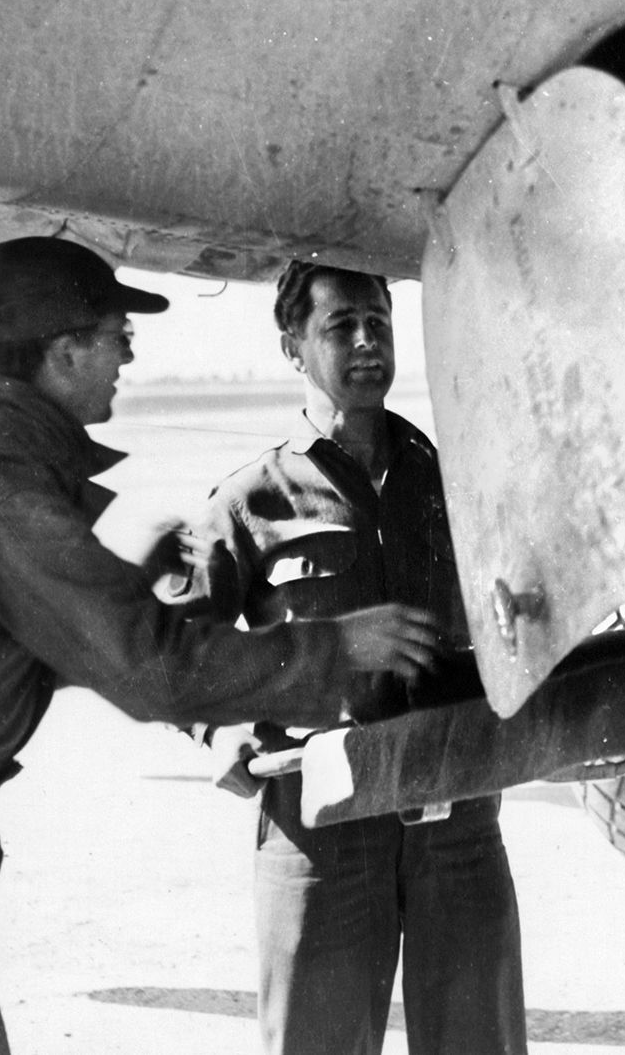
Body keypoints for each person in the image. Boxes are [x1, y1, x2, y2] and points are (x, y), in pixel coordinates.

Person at [0, 236, 440, 1055]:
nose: (127, 358)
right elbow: (153, 667)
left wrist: (128, 581)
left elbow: (15, 639)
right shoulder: (4, 498)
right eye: (114, 338)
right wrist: (337, 648)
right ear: (64, 354)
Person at [191, 262, 526, 1055]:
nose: (368, 340)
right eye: (340, 326)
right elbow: (174, 646)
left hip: (459, 815)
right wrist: (219, 733)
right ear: (293, 347)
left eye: (378, 319)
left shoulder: (455, 482)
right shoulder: (253, 500)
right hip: (323, 831)